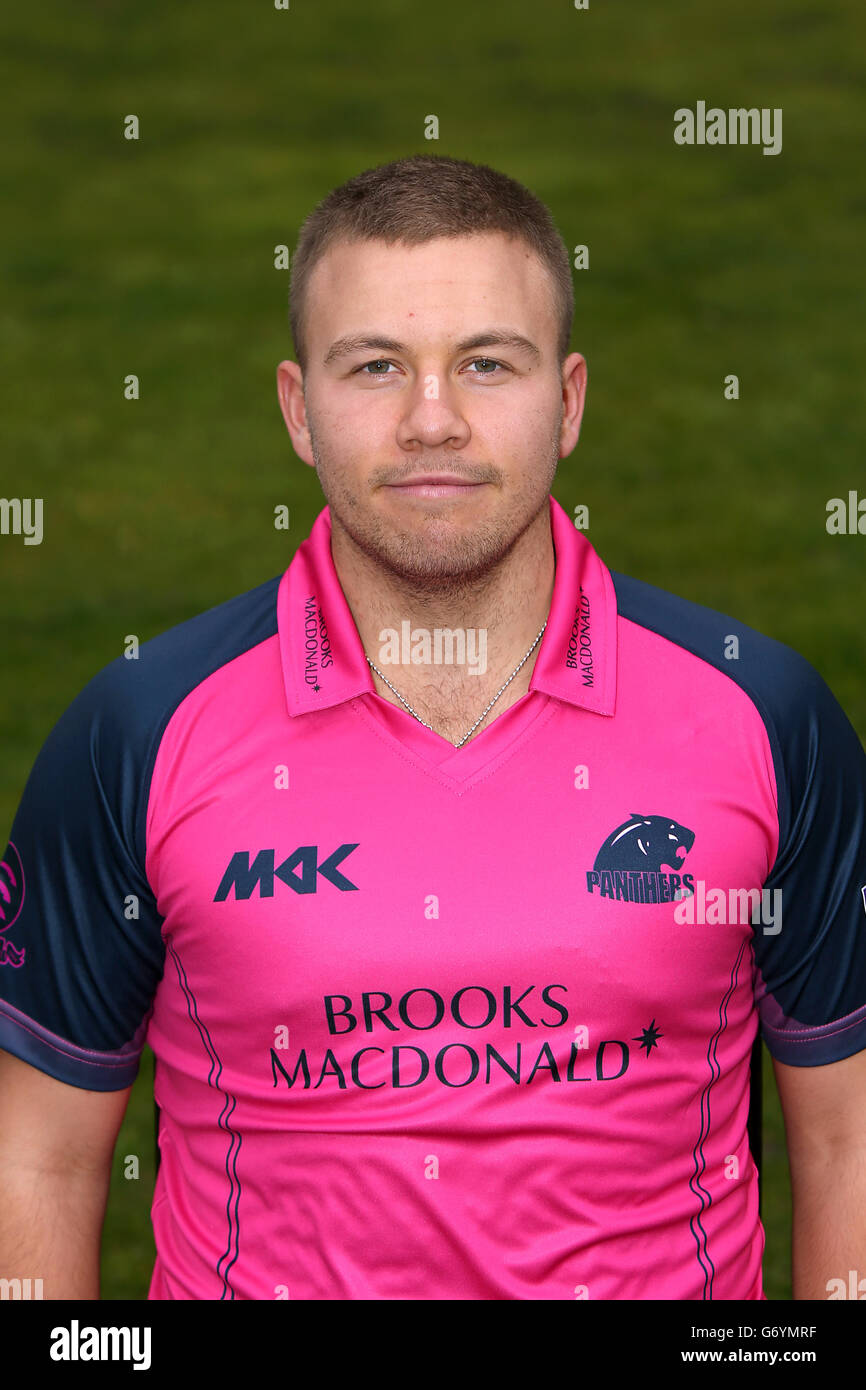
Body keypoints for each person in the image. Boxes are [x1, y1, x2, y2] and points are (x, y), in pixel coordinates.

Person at [1, 153, 865, 1301]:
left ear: (565, 399)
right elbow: (45, 1157)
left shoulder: (762, 716)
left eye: (483, 364)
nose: (430, 420)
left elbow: (844, 1134)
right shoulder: (137, 730)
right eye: (375, 366)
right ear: (298, 409)